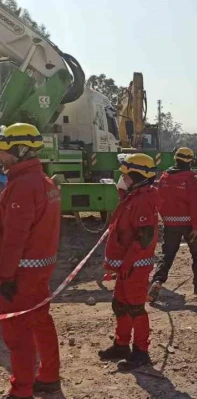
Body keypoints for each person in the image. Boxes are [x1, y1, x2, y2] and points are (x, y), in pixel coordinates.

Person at [0, 123, 62, 398]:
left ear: (20, 150)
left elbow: (14, 239)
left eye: (5, 152)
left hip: (20, 273)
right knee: (40, 323)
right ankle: (49, 376)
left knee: (18, 334)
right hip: (40, 268)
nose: (1, 157)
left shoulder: (23, 186)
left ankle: (21, 390)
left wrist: (4, 277)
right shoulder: (44, 182)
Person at [99, 153, 161, 371]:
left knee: (135, 308)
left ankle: (141, 351)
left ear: (138, 176)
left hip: (136, 265)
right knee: (120, 305)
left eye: (125, 175)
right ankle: (121, 344)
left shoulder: (143, 201)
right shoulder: (133, 197)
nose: (122, 178)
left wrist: (128, 263)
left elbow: (144, 237)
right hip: (126, 264)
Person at [148, 147, 197, 303]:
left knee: (167, 255)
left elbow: (160, 202)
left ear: (175, 159)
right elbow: (194, 204)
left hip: (170, 223)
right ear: (190, 161)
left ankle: (157, 281)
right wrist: (196, 227)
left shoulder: (164, 177)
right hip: (189, 224)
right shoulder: (190, 179)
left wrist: (167, 220)